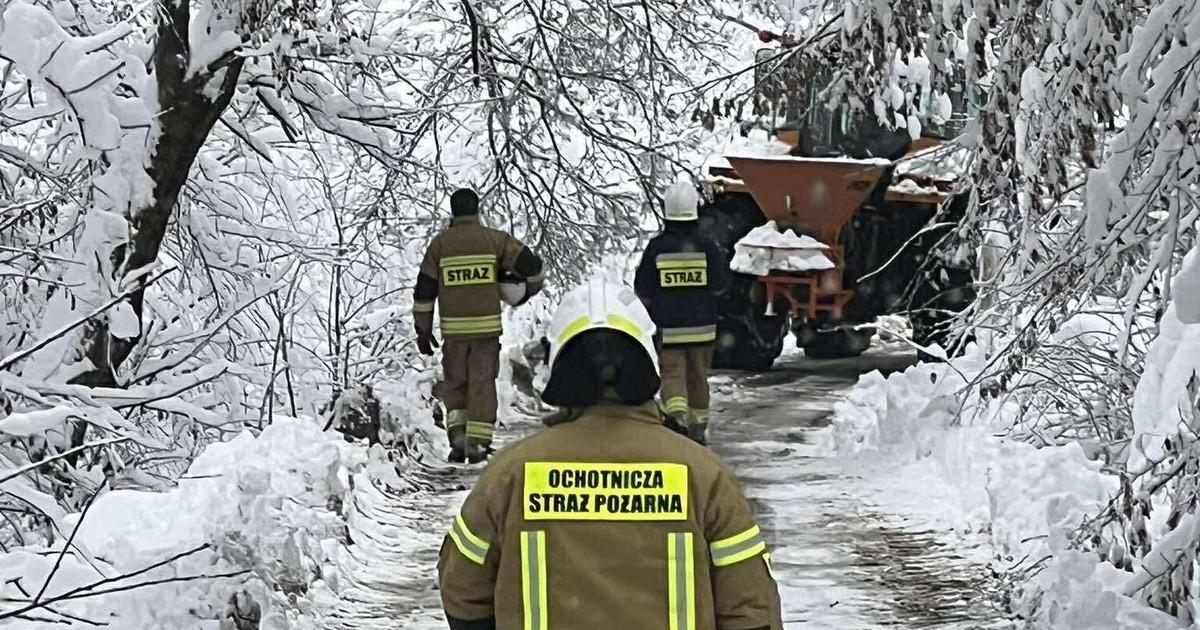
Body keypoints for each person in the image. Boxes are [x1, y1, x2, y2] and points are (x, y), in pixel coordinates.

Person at [437, 277, 782, 630]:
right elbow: (751, 608)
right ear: (650, 356)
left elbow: (462, 589)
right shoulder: (704, 476)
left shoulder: (510, 476)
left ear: (557, 362)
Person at [413, 188, 544, 463]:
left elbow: (424, 291)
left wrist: (422, 329)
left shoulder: (440, 245)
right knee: (482, 383)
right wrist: (525, 292)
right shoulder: (496, 241)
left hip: (454, 334)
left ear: (453, 211)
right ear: (476, 210)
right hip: (486, 331)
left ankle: (458, 441)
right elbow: (532, 266)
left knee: (456, 384)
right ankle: (478, 444)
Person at [635, 181, 730, 445]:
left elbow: (643, 287)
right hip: (703, 329)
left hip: (669, 329)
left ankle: (677, 423)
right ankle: (698, 430)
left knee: (673, 375)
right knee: (698, 377)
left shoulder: (657, 247)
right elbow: (721, 284)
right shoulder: (707, 247)